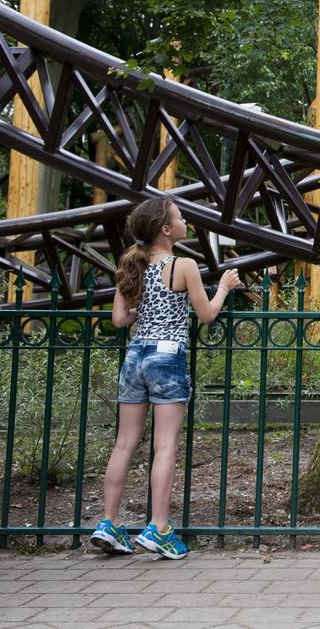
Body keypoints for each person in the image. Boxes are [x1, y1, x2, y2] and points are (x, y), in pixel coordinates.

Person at [90, 197, 241, 559]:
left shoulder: (132, 265)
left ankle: (108, 523)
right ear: (165, 229)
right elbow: (205, 314)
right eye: (179, 217)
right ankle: (158, 527)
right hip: (167, 356)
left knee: (124, 444)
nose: (185, 220)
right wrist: (224, 286)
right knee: (165, 446)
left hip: (136, 355)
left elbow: (119, 319)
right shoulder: (183, 265)